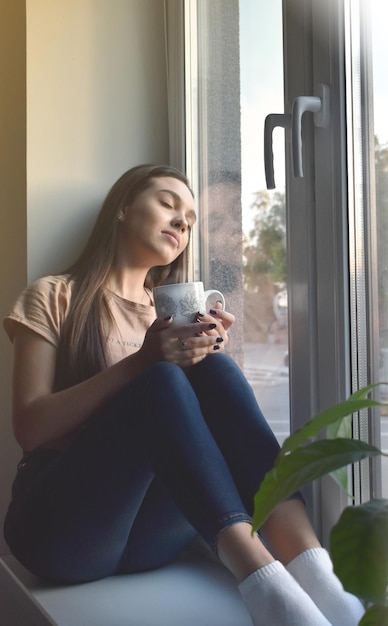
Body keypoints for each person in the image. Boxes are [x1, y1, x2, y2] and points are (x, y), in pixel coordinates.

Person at [3, 164, 363, 626]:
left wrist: (205, 352)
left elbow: (218, 439)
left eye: (189, 221)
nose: (181, 223)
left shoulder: (173, 313)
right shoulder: (56, 295)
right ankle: (271, 595)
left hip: (151, 537)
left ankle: (318, 580)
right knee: (161, 382)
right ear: (123, 207)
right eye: (168, 204)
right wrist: (144, 361)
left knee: (214, 367)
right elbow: (30, 428)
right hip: (62, 530)